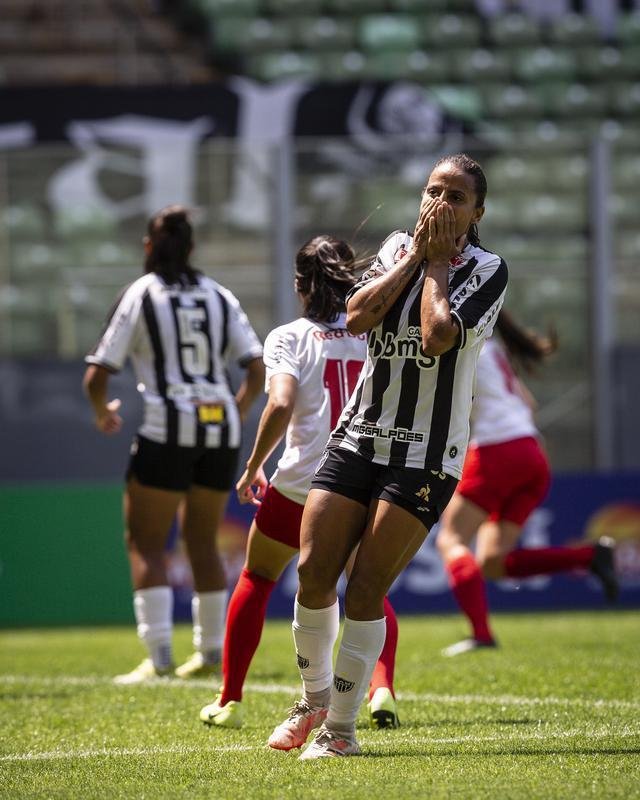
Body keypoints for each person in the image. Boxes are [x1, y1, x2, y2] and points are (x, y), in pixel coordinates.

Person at [268, 153, 508, 759]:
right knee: (314, 573)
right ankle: (312, 698)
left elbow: (437, 335)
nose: (441, 204)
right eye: (433, 191)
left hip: (426, 454)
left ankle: (340, 731)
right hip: (359, 436)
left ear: (478, 212)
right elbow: (356, 313)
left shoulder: (487, 268)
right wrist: (414, 257)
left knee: (366, 586)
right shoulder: (398, 244)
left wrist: (434, 265)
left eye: (456, 197)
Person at [199, 235, 400, 732]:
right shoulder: (371, 331)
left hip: (299, 484)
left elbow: (281, 403)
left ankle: (230, 700)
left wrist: (251, 468)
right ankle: (382, 690)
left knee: (258, 577)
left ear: (299, 285)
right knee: (368, 589)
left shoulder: (289, 337)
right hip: (359, 477)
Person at [83, 205, 264, 684]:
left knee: (146, 542)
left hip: (168, 426)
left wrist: (102, 411)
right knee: (201, 541)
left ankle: (160, 657)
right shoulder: (218, 294)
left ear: (148, 247)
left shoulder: (141, 294)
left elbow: (97, 373)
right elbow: (256, 368)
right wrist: (235, 414)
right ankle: (209, 653)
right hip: (220, 426)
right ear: (191, 249)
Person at [437, 310, 618, 657]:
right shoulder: (495, 348)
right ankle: (589, 555)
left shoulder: (460, 346)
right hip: (532, 452)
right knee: (493, 561)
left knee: (451, 538)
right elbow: (528, 404)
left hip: (495, 452)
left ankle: (481, 634)